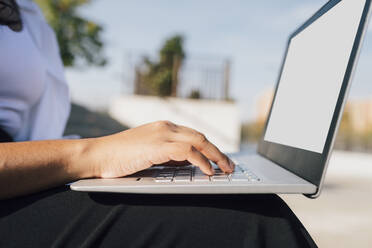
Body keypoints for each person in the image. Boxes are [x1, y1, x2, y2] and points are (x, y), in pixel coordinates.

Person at [0, 1, 317, 247]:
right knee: (250, 223)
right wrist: (94, 154)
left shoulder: (30, 11)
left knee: (248, 203)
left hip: (25, 174)